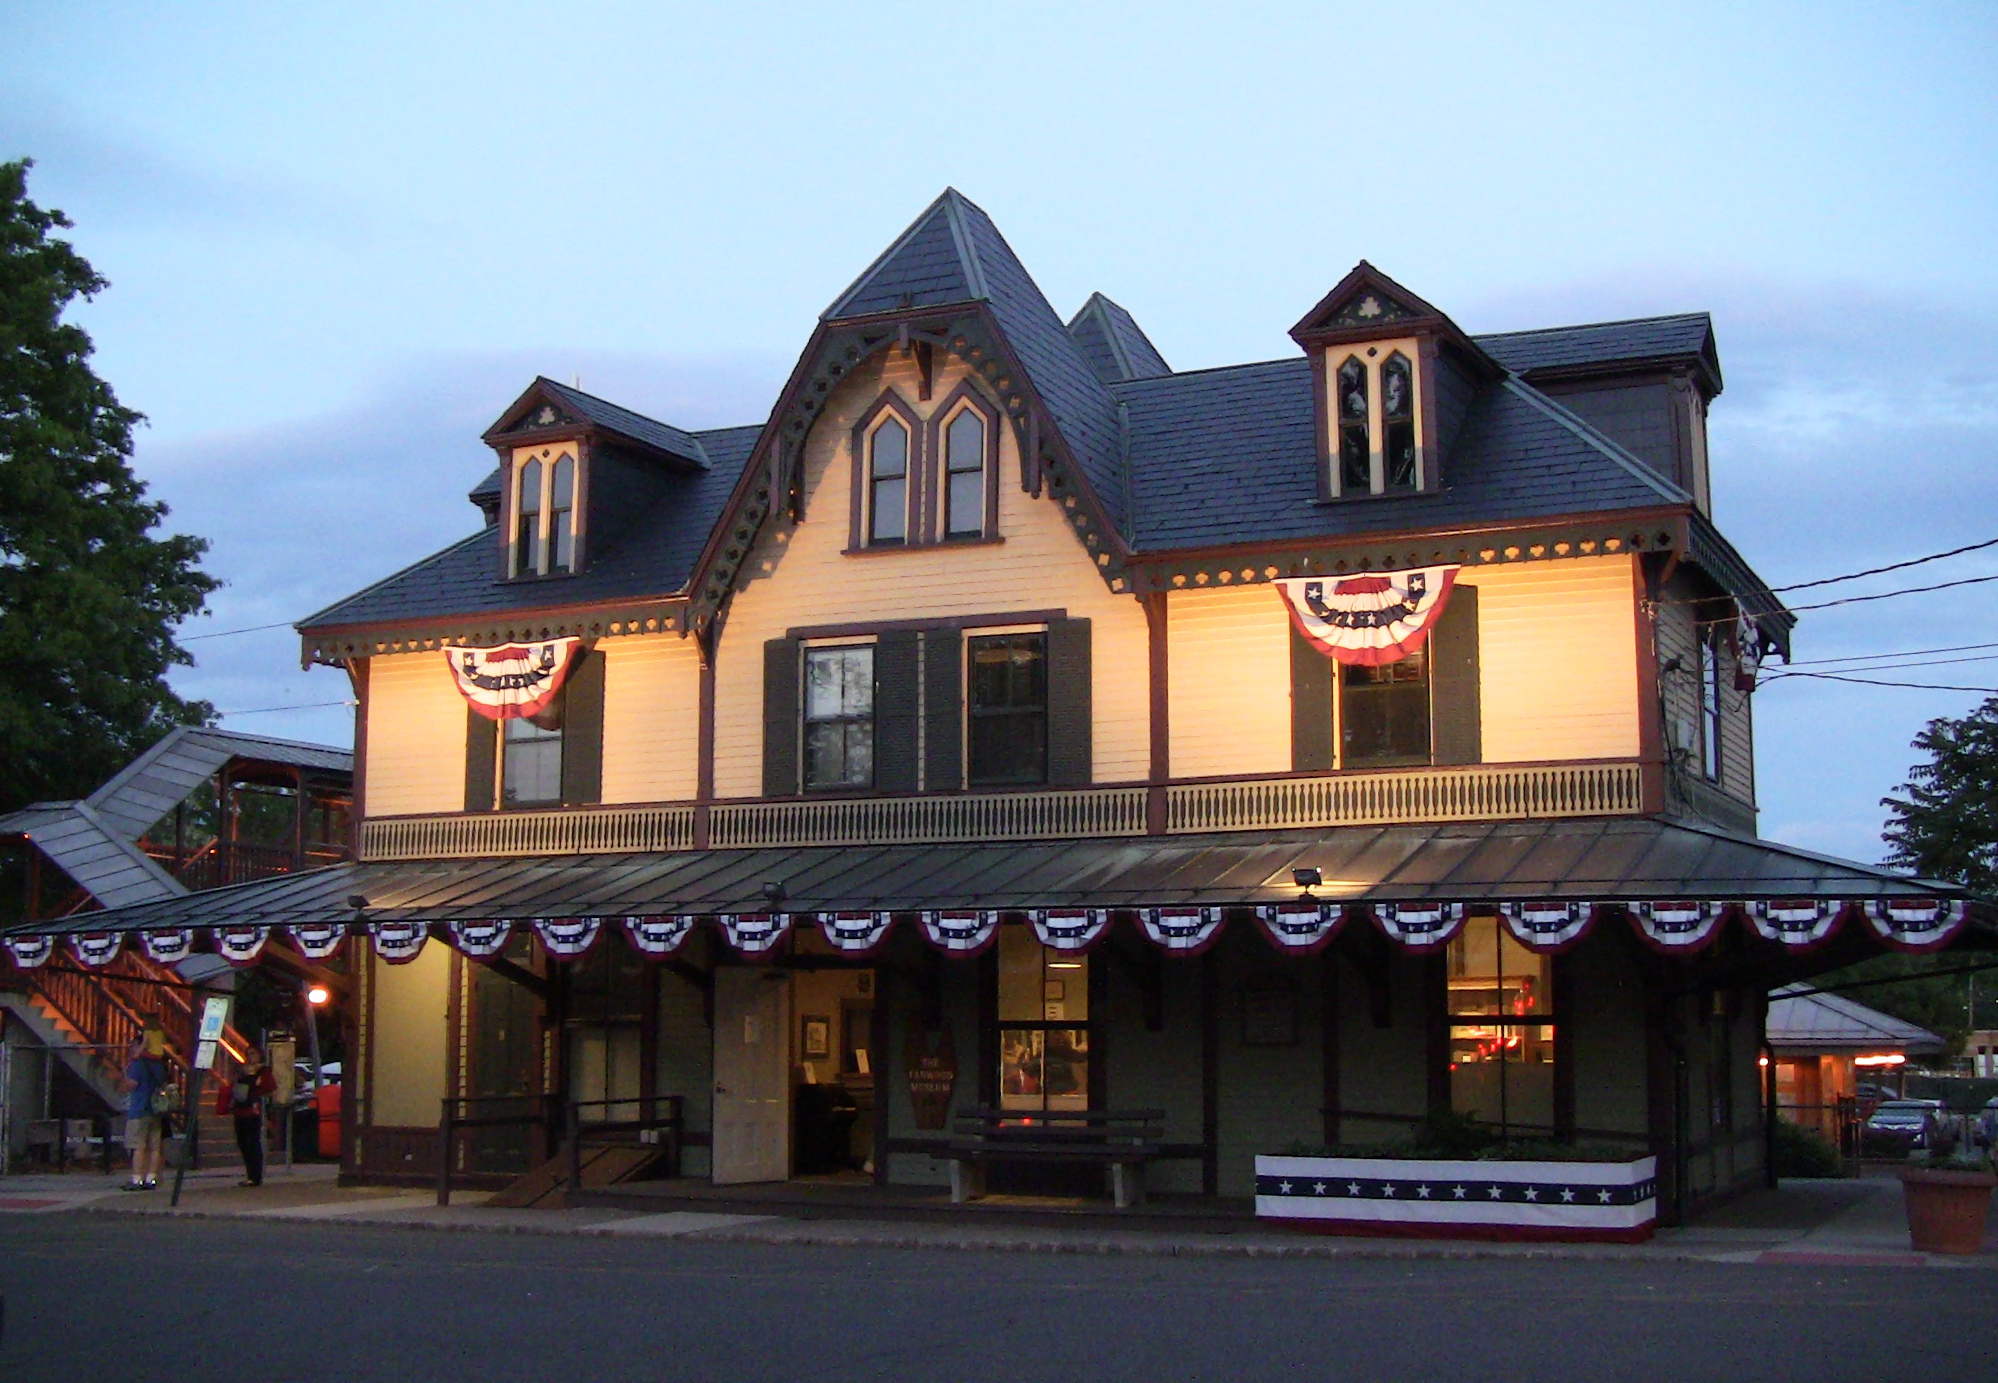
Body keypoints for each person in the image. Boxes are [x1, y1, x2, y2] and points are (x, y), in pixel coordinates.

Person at [219, 1044, 277, 1187]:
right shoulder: (242, 1070)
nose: (251, 1057)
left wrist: (258, 1091)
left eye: (253, 1053)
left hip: (253, 1109)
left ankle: (255, 1175)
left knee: (253, 1142)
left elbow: (270, 1086)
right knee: (242, 1141)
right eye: (248, 1054)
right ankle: (250, 1173)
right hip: (240, 1108)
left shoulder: (263, 1071)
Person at [117, 1035, 169, 1191]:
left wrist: (124, 1079)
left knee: (138, 1146)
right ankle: (151, 1177)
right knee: (154, 1146)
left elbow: (131, 1084)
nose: (131, 1049)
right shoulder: (158, 1064)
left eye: (134, 1045)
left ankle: (137, 1178)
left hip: (139, 1109)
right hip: (156, 1109)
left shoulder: (137, 1065)